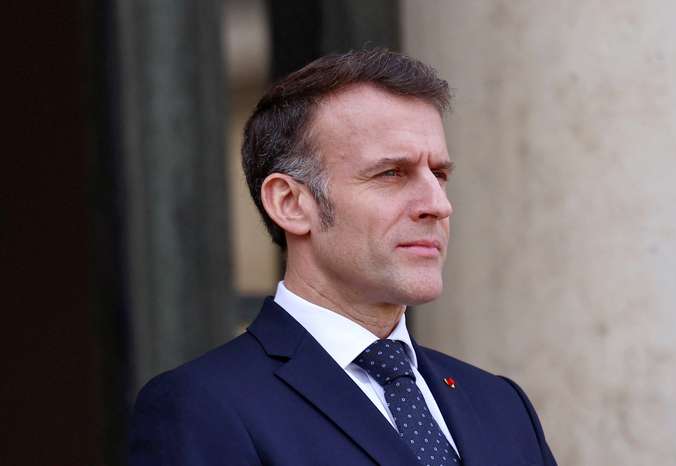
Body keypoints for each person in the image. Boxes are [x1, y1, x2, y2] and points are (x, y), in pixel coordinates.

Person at [129, 48, 557, 466]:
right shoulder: (203, 407)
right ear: (290, 203)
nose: (438, 205)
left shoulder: (501, 404)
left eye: (439, 174)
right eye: (392, 173)